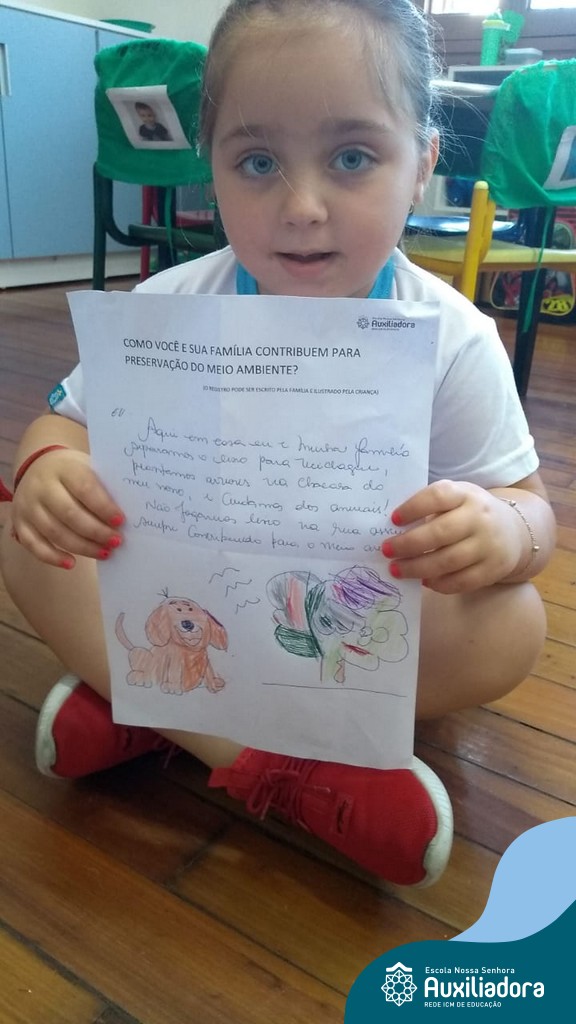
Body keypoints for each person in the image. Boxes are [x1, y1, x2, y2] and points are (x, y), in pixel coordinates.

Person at [0, 0, 555, 889]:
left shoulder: (451, 337)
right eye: (258, 162)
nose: (301, 208)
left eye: (352, 158)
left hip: (342, 621)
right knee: (21, 538)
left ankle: (154, 712)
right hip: (190, 597)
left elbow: (533, 514)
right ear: (211, 168)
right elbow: (65, 423)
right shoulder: (169, 308)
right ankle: (285, 771)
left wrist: (500, 531)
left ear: (422, 166)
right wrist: (51, 466)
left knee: (513, 625)